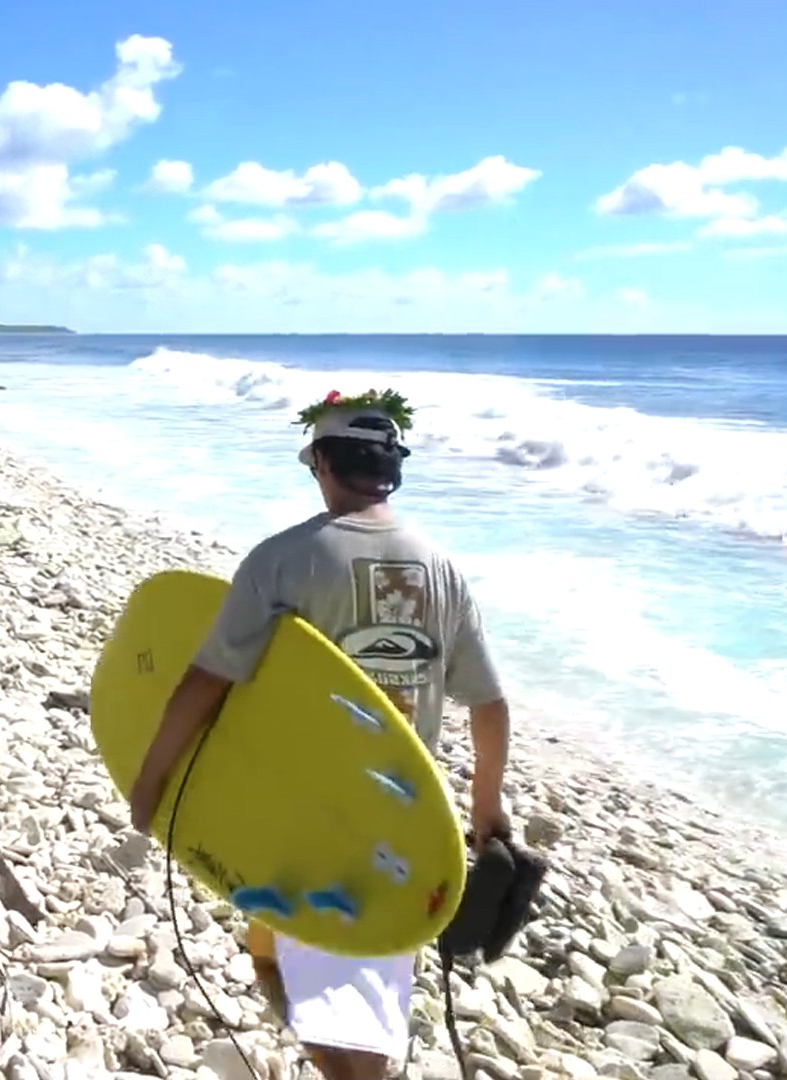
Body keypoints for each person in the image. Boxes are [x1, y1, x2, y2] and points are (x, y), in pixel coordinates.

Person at [125, 389, 512, 1080]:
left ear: (324, 466)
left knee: (343, 1020)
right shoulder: (443, 568)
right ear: (391, 469)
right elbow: (489, 704)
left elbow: (204, 685)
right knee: (305, 957)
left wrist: (149, 783)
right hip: (407, 823)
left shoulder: (283, 560)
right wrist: (485, 810)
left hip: (307, 819)